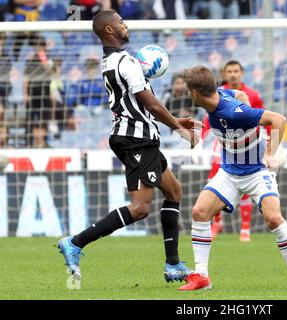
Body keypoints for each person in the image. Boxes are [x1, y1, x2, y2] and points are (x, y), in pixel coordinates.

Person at [57, 10, 199, 283]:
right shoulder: (125, 62)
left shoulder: (112, 61)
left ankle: (173, 265)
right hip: (136, 139)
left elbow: (145, 106)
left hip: (140, 136)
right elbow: (151, 104)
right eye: (120, 22)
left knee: (173, 190)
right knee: (140, 208)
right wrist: (178, 128)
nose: (125, 25)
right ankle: (75, 242)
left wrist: (172, 119)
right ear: (108, 30)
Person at [179, 65, 287, 290]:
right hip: (229, 172)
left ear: (194, 93)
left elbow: (279, 120)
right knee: (200, 212)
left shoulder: (233, 112)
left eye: (188, 90)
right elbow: (240, 94)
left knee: (273, 218)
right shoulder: (222, 94)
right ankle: (201, 276)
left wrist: (270, 153)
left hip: (258, 171)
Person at [207, 60, 269, 242]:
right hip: (223, 142)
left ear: (242, 73)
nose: (233, 74)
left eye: (236, 71)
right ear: (225, 74)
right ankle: (217, 222)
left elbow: (261, 118)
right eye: (229, 71)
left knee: (246, 180)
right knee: (216, 178)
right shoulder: (217, 94)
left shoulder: (252, 95)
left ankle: (245, 228)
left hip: (247, 143)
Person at [23, 36, 52, 147]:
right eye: (37, 46)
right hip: (32, 93)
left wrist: (44, 60)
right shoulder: (30, 60)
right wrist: (25, 93)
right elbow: (25, 78)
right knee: (30, 119)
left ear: (44, 47)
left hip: (45, 93)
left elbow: (53, 74)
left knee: (44, 119)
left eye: (41, 46)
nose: (39, 48)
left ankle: (44, 142)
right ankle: (29, 142)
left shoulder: (49, 58)